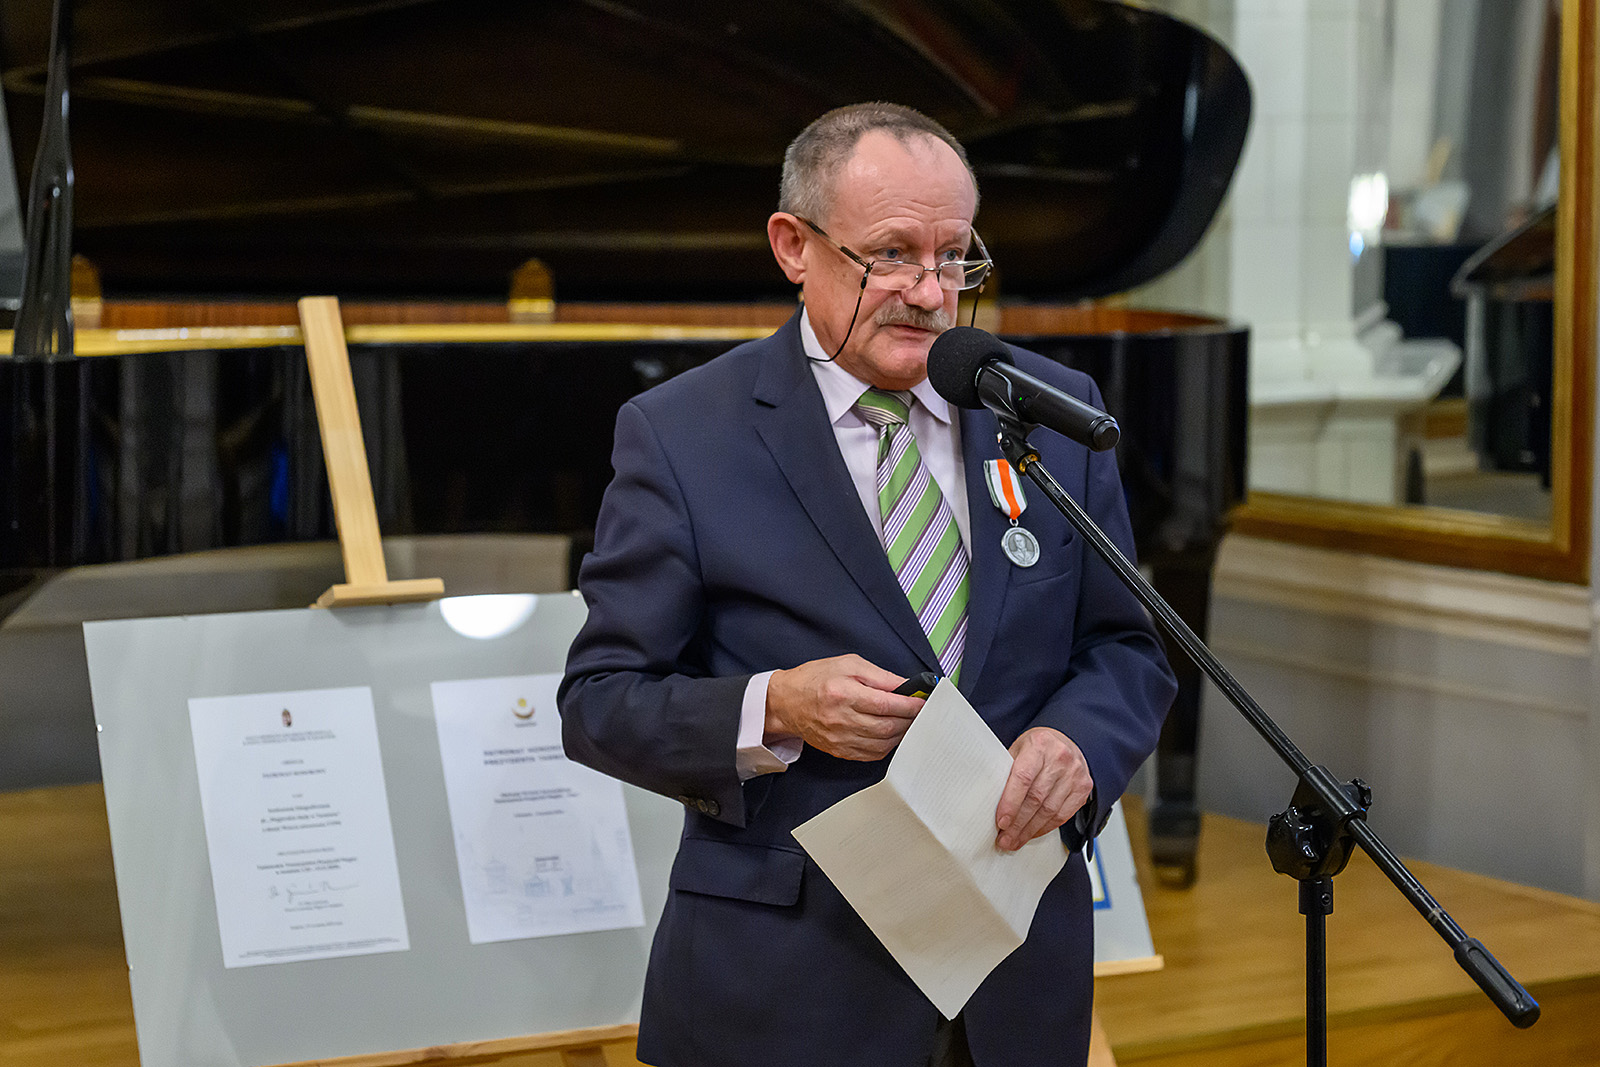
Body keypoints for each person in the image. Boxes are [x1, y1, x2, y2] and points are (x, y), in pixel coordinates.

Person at [559, 102, 1175, 1067]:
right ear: (793, 246)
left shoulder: (1050, 410)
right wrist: (776, 706)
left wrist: (1079, 743)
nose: (929, 292)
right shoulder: (683, 434)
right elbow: (599, 702)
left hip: (1013, 986)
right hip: (789, 992)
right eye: (890, 255)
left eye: (954, 257)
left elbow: (1126, 649)